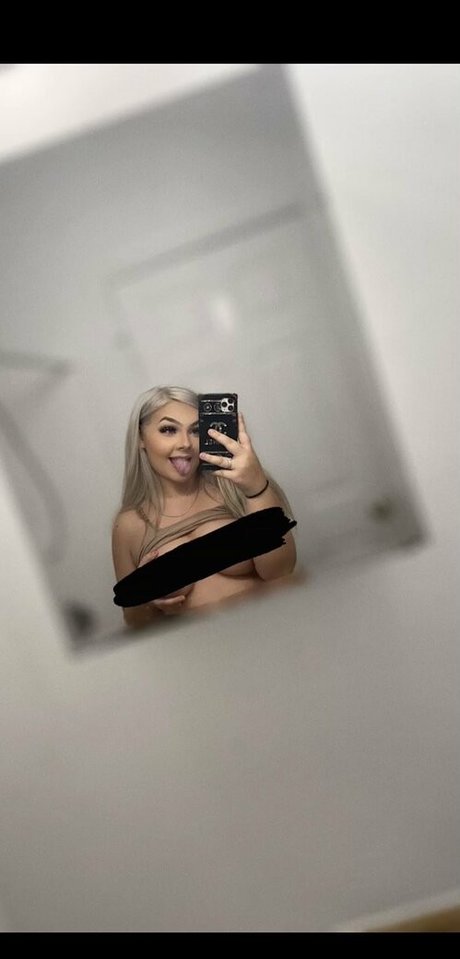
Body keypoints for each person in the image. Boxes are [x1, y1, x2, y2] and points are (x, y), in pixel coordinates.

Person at [112, 386, 297, 629]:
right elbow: (134, 621)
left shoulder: (235, 489)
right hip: (198, 647)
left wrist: (256, 487)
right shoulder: (129, 524)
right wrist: (147, 602)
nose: (185, 443)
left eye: (196, 430)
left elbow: (281, 572)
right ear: (141, 439)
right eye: (168, 430)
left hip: (272, 627)